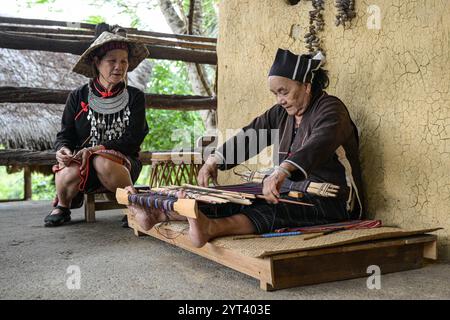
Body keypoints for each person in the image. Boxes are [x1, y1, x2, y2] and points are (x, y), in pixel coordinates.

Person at [127, 48, 364, 247]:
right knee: (235, 198)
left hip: (332, 202)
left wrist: (281, 171)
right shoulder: (281, 114)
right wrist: (214, 161)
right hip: (287, 192)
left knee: (274, 210)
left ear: (307, 86)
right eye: (275, 93)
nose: (280, 100)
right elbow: (251, 135)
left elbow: (319, 143)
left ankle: (210, 228)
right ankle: (158, 213)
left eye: (284, 92)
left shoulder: (332, 110)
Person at [44, 25, 149, 227]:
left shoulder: (135, 97)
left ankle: (133, 207)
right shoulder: (78, 96)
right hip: (83, 165)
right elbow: (65, 134)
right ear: (97, 62)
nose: (119, 66)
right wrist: (63, 149)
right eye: (112, 61)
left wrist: (96, 149)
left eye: (124, 61)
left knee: (102, 160)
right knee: (68, 170)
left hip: (121, 166)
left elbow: (133, 139)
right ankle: (63, 206)